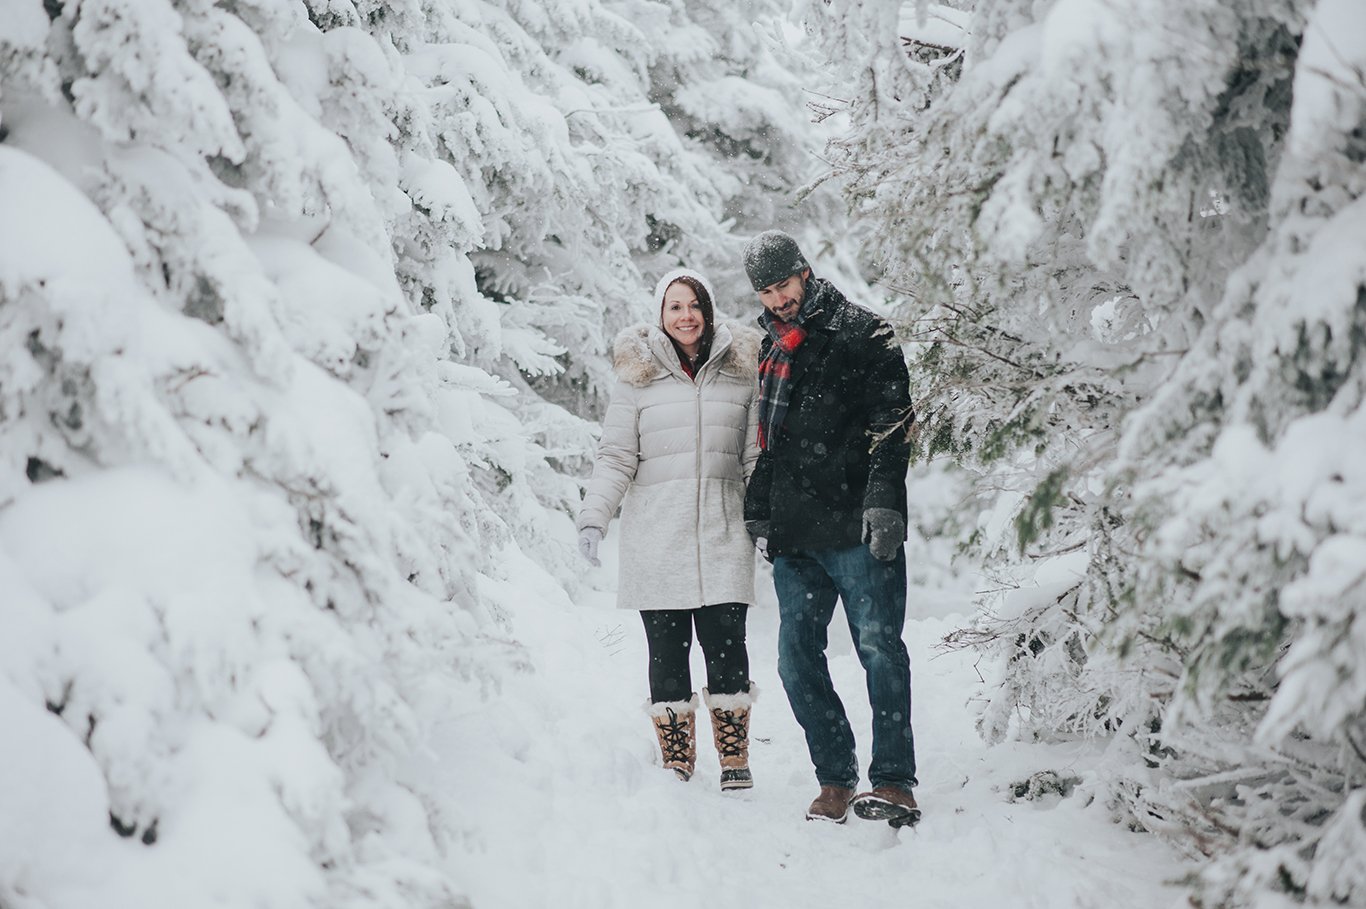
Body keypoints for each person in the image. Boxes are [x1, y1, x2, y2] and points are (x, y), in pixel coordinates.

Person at [740, 230, 920, 827]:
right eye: (765, 292)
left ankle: (893, 781)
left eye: (782, 286)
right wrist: (760, 504)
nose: (776, 300)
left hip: (858, 524)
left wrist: (884, 504)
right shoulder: (773, 344)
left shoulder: (864, 333)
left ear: (805, 272)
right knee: (794, 659)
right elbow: (773, 439)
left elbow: (893, 425)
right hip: (796, 534)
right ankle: (835, 776)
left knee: (879, 649)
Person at [577, 268, 763, 790]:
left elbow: (753, 457)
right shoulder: (636, 380)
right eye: (675, 307)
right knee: (668, 649)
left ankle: (733, 756)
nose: (686, 316)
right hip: (657, 535)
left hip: (724, 530)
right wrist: (594, 517)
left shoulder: (741, 374)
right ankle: (677, 758)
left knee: (727, 643)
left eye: (694, 306)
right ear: (660, 315)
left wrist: (763, 520)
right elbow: (616, 457)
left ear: (708, 312)